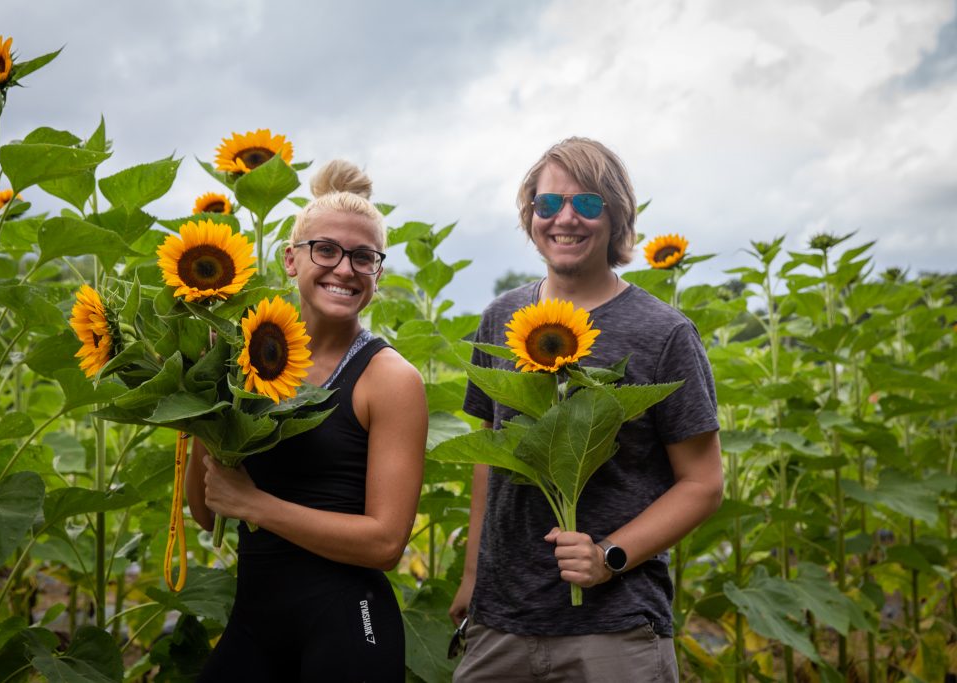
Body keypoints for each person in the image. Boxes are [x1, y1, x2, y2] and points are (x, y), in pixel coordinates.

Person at [449, 137, 723, 682]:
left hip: (614, 628)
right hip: (502, 621)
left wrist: (609, 556)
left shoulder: (663, 333)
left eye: (588, 204)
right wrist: (472, 576)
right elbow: (490, 457)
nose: (565, 219)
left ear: (617, 216)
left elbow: (703, 484)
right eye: (548, 205)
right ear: (531, 216)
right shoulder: (501, 318)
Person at [188, 160, 428, 682]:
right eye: (326, 250)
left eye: (363, 258)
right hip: (254, 623)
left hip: (347, 625)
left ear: (377, 273)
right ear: (292, 260)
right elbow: (207, 513)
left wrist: (254, 504)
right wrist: (202, 397)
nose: (344, 269)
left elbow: (386, 544)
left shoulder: (389, 379)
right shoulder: (243, 357)